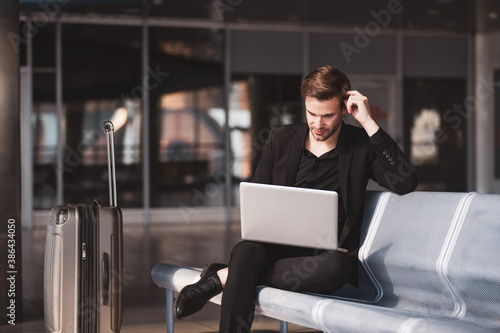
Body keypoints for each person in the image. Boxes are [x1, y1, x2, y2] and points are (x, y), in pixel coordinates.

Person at [174, 65, 418, 332]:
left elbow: (405, 182)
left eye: (327, 116)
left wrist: (369, 123)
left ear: (345, 108)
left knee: (338, 267)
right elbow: (259, 195)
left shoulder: (361, 145)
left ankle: (221, 277)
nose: (318, 123)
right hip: (273, 246)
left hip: (322, 257)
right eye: (311, 113)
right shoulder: (280, 139)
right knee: (245, 251)